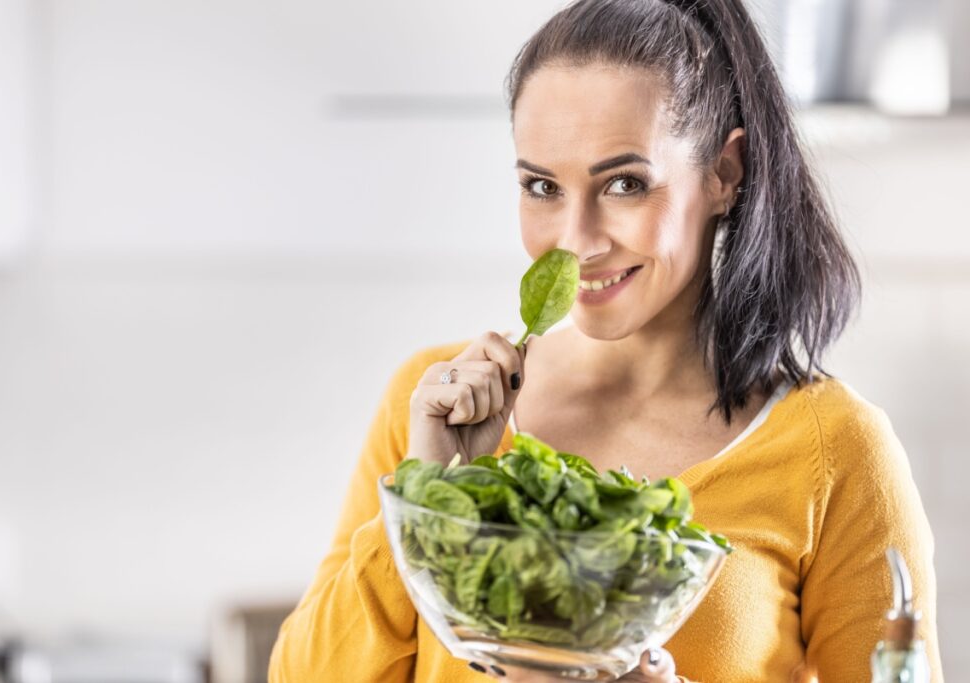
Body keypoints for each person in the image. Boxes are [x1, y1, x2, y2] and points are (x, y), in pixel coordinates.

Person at [269, 0, 944, 680]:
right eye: (542, 186)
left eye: (625, 184)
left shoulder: (836, 453)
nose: (576, 241)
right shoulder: (436, 405)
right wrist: (422, 495)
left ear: (725, 173)